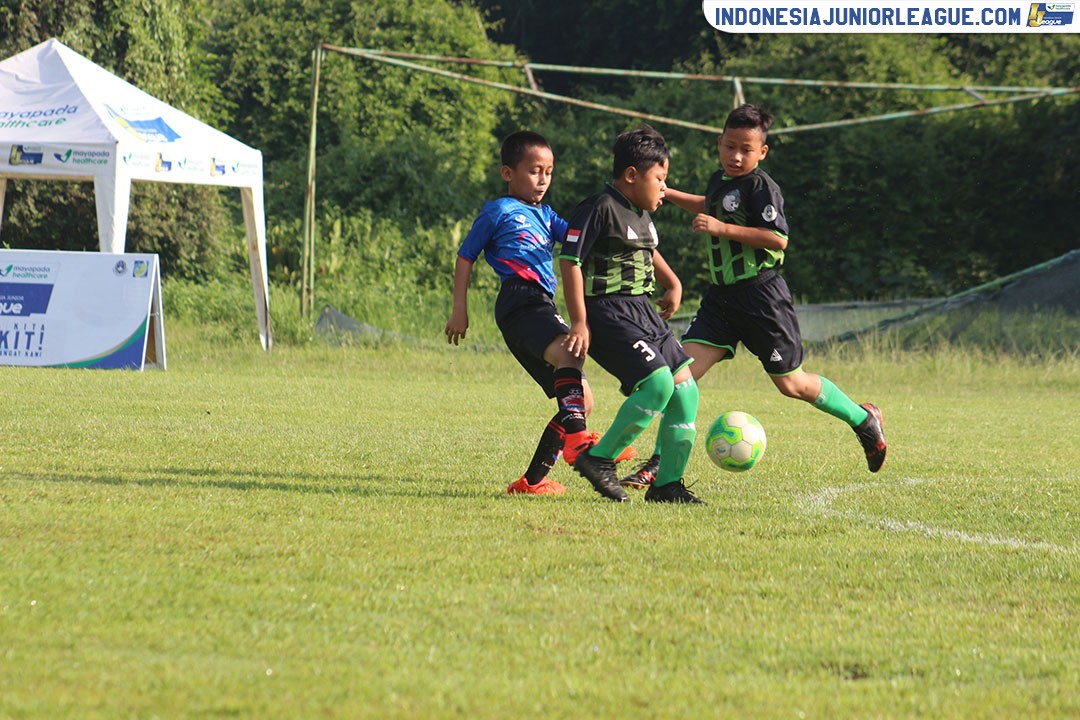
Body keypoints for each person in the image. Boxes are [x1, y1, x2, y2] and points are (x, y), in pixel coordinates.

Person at [620, 104, 886, 489]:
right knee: (681, 377)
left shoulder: (762, 187)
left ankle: (863, 420)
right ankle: (659, 465)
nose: (736, 156)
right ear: (719, 144)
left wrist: (721, 228)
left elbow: (777, 238)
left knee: (791, 384)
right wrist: (667, 192)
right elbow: (707, 205)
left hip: (761, 297)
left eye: (746, 149)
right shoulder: (719, 182)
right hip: (721, 300)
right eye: (729, 146)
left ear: (762, 152)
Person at [445, 131, 622, 496]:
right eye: (534, 171)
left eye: (549, 172)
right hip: (520, 300)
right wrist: (459, 310)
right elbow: (465, 257)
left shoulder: (545, 215)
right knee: (572, 354)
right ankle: (582, 446)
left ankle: (532, 482)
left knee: (582, 400)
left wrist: (612, 215)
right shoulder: (498, 211)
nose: (543, 180)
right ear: (508, 173)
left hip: (538, 304)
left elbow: (577, 236)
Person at [560, 126, 704, 504]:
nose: (664, 187)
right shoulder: (598, 207)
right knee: (657, 385)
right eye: (660, 178)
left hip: (644, 312)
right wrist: (579, 321)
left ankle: (667, 485)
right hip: (609, 312)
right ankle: (599, 459)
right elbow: (570, 260)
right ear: (630, 175)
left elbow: (647, 250)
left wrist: (672, 282)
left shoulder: (641, 212)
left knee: (685, 391)